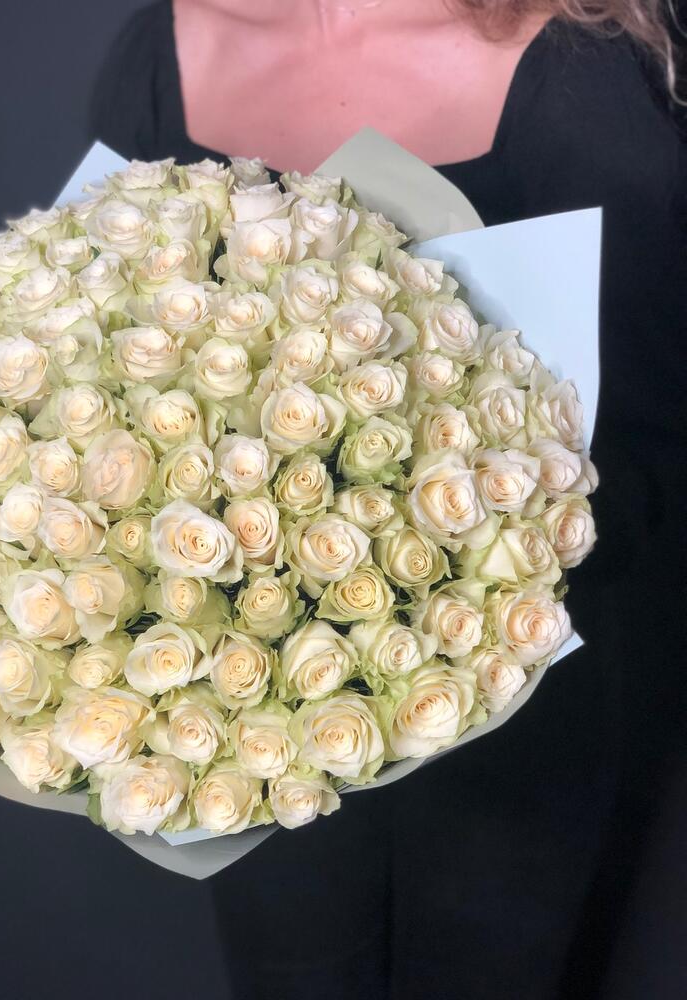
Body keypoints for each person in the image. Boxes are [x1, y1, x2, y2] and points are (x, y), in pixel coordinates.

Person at [89, 3, 687, 997]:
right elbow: (113, 353)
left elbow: (656, 440)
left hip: (532, 708)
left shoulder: (580, 81)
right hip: (257, 714)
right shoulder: (168, 49)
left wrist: (427, 529)